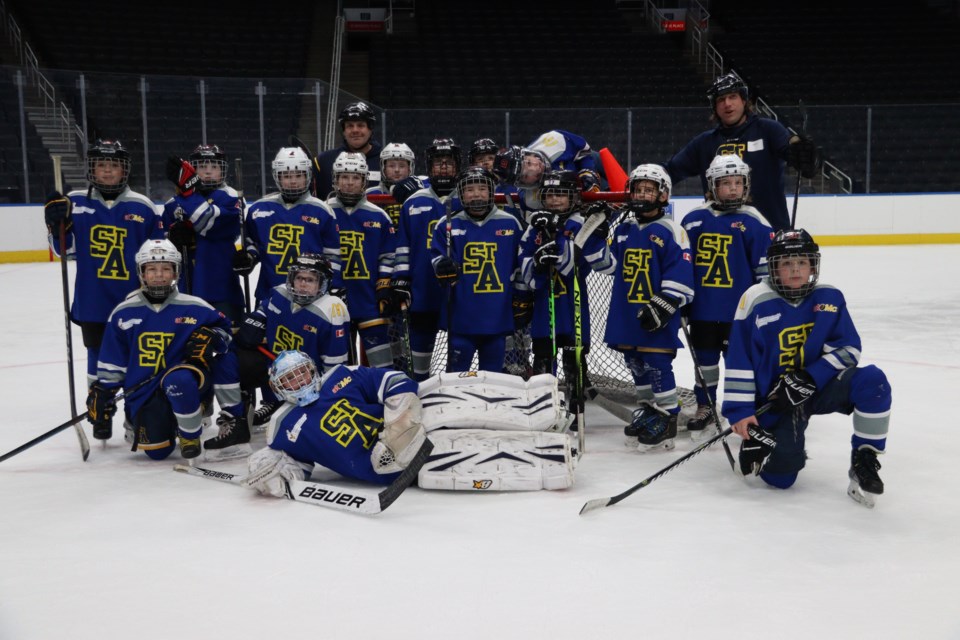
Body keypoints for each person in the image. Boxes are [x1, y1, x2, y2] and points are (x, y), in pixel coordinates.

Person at [722, 229, 891, 507]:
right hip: (777, 400)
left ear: (813, 265)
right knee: (781, 479)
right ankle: (764, 446)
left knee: (873, 381)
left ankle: (865, 458)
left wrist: (812, 376)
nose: (796, 270)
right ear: (774, 267)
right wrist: (741, 414)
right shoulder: (756, 299)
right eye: (787, 263)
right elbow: (739, 360)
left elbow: (849, 348)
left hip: (818, 387)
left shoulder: (830, 297)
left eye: (802, 262)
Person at [42, 139, 164, 440]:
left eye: (114, 166)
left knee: (137, 357)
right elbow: (64, 251)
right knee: (97, 358)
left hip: (133, 300)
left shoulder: (142, 206)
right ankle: (101, 412)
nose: (107, 172)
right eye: (101, 166)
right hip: (93, 300)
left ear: (124, 171)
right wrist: (56, 225)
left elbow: (158, 254)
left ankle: (136, 413)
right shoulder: (74, 202)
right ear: (92, 169)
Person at [86, 239, 249, 460]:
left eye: (166, 268)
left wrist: (213, 337)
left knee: (179, 380)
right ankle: (146, 421)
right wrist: (104, 391)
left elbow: (226, 331)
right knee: (158, 453)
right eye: (151, 269)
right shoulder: (123, 312)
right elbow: (113, 359)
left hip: (187, 382)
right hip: (144, 390)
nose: (159, 274)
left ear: (175, 272)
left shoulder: (195, 306)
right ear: (142, 273)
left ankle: (190, 434)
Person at [242, 350, 427, 497]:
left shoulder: (341, 375)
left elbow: (395, 380)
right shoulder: (282, 425)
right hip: (384, 472)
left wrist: (401, 420)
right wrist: (272, 470)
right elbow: (297, 467)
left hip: (417, 434)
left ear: (312, 369)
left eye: (301, 372)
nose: (298, 379)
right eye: (289, 379)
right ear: (277, 387)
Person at [680, 154, 773, 442]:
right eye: (725, 183)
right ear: (711, 185)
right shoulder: (694, 220)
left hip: (740, 315)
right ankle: (706, 405)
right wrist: (683, 301)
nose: (732, 189)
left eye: (738, 183)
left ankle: (749, 406)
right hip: (704, 311)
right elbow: (683, 265)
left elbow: (764, 274)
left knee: (742, 363)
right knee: (705, 361)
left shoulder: (755, 222)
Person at [602, 163, 694, 453]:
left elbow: (681, 270)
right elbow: (609, 266)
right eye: (637, 189)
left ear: (663, 195)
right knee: (635, 364)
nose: (642, 194)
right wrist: (594, 234)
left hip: (656, 313)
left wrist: (666, 302)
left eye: (649, 189)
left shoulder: (671, 230)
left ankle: (668, 416)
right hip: (627, 312)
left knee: (657, 365)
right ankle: (648, 410)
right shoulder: (624, 229)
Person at [664, 72, 820, 231]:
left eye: (732, 97)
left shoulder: (768, 130)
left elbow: (800, 161)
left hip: (771, 232)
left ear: (744, 100)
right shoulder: (704, 143)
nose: (727, 104)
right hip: (723, 236)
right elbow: (669, 171)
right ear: (714, 107)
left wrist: (806, 157)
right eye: (721, 100)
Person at [518, 170, 614, 385]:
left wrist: (598, 234)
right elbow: (528, 273)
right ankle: (545, 410)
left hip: (574, 309)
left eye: (560, 194)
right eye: (550, 194)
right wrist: (538, 262)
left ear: (572, 197)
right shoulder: (534, 228)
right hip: (544, 310)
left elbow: (607, 266)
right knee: (543, 365)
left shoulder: (582, 224)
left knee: (575, 366)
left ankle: (574, 410)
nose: (554, 199)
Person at [233, 253, 351, 426]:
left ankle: (311, 408)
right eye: (299, 278)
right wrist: (256, 319)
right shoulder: (281, 293)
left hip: (309, 381)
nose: (303, 284)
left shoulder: (332, 309)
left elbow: (335, 366)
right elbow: (264, 308)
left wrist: (327, 399)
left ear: (322, 283)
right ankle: (260, 407)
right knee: (234, 359)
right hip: (275, 371)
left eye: (310, 280)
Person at [430, 166, 525, 373]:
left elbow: (520, 266)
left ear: (492, 191)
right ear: (461, 193)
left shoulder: (510, 223)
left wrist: (522, 298)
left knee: (494, 379)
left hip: (498, 318)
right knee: (456, 380)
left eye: (482, 188)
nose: (476, 194)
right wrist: (442, 266)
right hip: (461, 318)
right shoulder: (446, 224)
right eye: (469, 189)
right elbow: (436, 259)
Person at [233, 147, 343, 305]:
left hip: (311, 297)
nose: (293, 181)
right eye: (286, 175)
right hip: (268, 293)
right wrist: (248, 258)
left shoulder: (322, 211)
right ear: (277, 176)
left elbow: (333, 255)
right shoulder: (259, 209)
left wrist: (333, 287)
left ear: (308, 175)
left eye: (299, 175)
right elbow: (253, 244)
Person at [327, 151, 400, 369]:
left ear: (364, 181)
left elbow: (388, 255)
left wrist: (384, 284)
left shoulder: (378, 215)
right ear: (336, 179)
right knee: (342, 369)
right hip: (334, 302)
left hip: (370, 301)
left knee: (382, 366)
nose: (349, 183)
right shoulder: (324, 211)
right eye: (344, 177)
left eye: (355, 178)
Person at [389, 141, 455, 380]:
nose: (444, 168)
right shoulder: (414, 201)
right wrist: (401, 279)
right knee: (420, 342)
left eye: (449, 163)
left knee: (459, 347)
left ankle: (456, 393)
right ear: (430, 167)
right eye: (438, 163)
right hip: (422, 285)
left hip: (458, 288)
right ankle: (419, 387)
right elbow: (404, 245)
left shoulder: (466, 197)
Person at [162, 144, 245, 324]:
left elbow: (208, 222)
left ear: (223, 170)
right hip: (185, 289)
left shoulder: (231, 197)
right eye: (202, 167)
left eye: (214, 167)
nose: (208, 172)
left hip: (222, 288)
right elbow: (160, 243)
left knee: (229, 343)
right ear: (192, 169)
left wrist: (189, 192)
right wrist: (172, 237)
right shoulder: (173, 203)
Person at [315, 102, 383, 199]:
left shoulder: (386, 161)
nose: (355, 130)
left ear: (370, 129)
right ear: (343, 131)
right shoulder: (323, 160)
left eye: (360, 125)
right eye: (350, 126)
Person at [527, 129, 601, 193]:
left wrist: (587, 173)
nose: (533, 169)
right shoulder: (525, 193)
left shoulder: (556, 140)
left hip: (587, 167)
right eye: (526, 175)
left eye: (528, 163)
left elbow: (584, 151)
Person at [366, 142, 416, 226]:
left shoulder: (419, 195)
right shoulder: (369, 194)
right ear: (383, 168)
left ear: (410, 168)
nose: (396, 170)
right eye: (391, 166)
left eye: (402, 166)